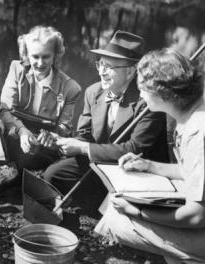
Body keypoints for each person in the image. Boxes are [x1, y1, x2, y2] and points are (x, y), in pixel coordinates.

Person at [95, 48, 205, 264]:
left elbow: (195, 217)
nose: (140, 94)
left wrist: (137, 211)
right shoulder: (196, 115)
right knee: (124, 196)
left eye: (142, 88)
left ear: (161, 93)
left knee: (115, 217)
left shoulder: (197, 131)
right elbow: (193, 174)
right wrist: (149, 166)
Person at [43, 30, 168, 215]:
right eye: (100, 63)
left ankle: (110, 207)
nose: (101, 71)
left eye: (109, 66)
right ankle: (96, 205)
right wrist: (60, 141)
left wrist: (83, 148)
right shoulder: (93, 92)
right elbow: (83, 136)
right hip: (101, 160)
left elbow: (135, 148)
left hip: (134, 168)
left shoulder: (149, 101)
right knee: (53, 174)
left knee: (119, 195)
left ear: (130, 71)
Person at [0, 26, 81, 175]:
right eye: (35, 56)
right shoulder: (16, 69)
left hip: (45, 148)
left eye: (46, 56)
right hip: (16, 135)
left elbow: (64, 128)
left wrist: (51, 139)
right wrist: (22, 131)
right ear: (26, 55)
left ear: (55, 56)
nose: (40, 63)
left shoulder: (71, 88)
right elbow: (5, 110)